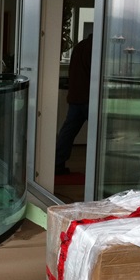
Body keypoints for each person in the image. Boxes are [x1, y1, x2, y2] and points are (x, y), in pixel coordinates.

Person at [55, 33, 93, 175]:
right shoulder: (94, 48)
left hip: (76, 96)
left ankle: (57, 163)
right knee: (98, 133)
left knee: (68, 132)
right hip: (89, 97)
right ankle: (97, 168)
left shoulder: (80, 46)